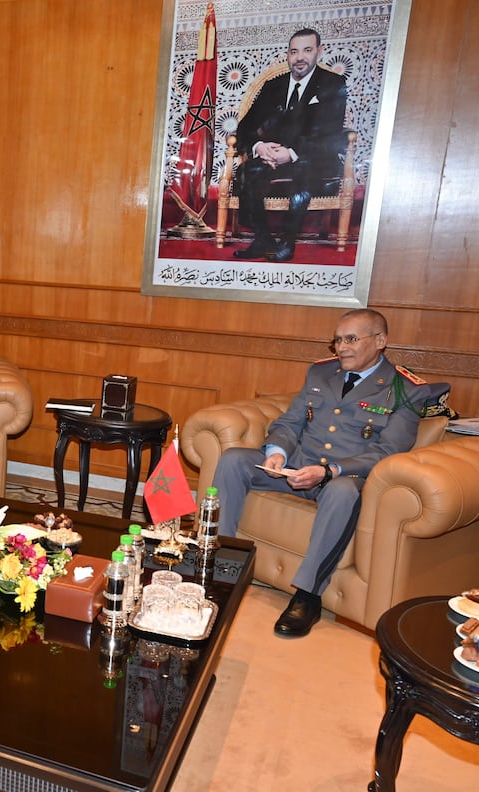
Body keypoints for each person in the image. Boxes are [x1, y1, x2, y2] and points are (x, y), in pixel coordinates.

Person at [211, 309, 432, 637]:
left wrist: (330, 471)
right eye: (338, 340)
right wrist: (277, 453)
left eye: (352, 339)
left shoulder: (406, 389)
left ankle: (307, 595)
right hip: (297, 467)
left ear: (381, 341)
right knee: (233, 459)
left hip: (346, 478)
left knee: (341, 491)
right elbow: (290, 422)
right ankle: (219, 562)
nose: (342, 347)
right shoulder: (320, 374)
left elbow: (389, 451)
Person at [232, 28, 348, 263]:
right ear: (288, 55)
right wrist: (259, 146)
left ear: (319, 52)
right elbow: (244, 127)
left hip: (314, 159)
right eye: (294, 51)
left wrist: (292, 153)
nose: (300, 57)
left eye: (307, 50)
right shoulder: (273, 86)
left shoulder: (332, 83)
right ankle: (263, 239)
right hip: (274, 158)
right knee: (247, 171)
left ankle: (287, 242)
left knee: (302, 170)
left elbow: (330, 133)